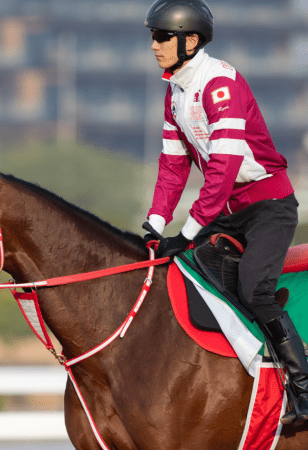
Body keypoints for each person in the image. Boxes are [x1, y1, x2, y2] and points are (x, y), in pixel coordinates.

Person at [143, 0, 307, 424]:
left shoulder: (221, 84)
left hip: (269, 208)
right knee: (178, 271)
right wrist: (155, 224)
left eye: (162, 36)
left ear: (190, 40)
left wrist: (188, 230)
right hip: (227, 212)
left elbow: (224, 166)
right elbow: (173, 165)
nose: (154, 45)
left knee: (254, 290)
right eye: (153, 36)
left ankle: (304, 388)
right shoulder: (175, 93)